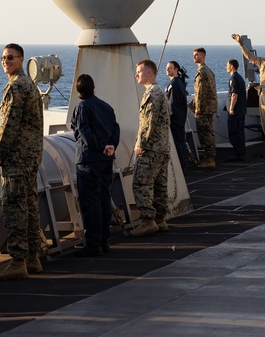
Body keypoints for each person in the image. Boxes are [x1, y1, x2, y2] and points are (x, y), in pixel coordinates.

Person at [0, 43, 45, 279]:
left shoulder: (16, 87)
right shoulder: (30, 85)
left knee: (15, 209)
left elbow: (9, 126)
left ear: (21, 59)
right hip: (31, 156)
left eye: (10, 57)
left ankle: (17, 262)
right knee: (30, 206)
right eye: (3, 57)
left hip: (17, 158)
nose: (6, 61)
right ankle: (33, 257)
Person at [70, 74, 120, 257]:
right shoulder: (106, 107)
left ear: (78, 89)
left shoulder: (82, 106)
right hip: (106, 160)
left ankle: (93, 243)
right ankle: (104, 240)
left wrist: (99, 147)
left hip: (89, 160)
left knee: (90, 201)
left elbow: (83, 131)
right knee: (104, 199)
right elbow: (116, 129)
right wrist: (110, 147)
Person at [128, 59, 171, 236]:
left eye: (139, 71)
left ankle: (148, 221)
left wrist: (140, 144)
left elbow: (148, 123)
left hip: (151, 149)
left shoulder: (152, 94)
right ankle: (160, 219)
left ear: (149, 73)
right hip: (162, 148)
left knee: (141, 183)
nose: (136, 74)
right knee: (160, 185)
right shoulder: (160, 92)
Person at [192, 48, 217, 168]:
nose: (194, 57)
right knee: (209, 133)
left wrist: (198, 108)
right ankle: (211, 158)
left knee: (205, 134)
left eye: (196, 55)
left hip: (204, 109)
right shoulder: (208, 71)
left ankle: (209, 159)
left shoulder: (202, 71)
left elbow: (201, 92)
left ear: (203, 56)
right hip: (209, 108)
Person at [164, 61, 190, 174]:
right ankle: (183, 164)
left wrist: (168, 118)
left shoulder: (174, 84)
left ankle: (181, 167)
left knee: (177, 143)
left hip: (175, 119)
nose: (167, 70)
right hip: (180, 118)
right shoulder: (178, 83)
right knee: (180, 141)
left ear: (176, 69)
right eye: (167, 68)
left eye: (170, 68)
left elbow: (172, 104)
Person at [226, 59, 247, 161]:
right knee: (240, 132)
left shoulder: (233, 79)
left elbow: (234, 95)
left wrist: (231, 109)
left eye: (227, 65)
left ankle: (238, 153)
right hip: (241, 110)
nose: (226, 67)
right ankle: (241, 153)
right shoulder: (240, 78)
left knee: (234, 132)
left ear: (232, 66)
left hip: (235, 111)